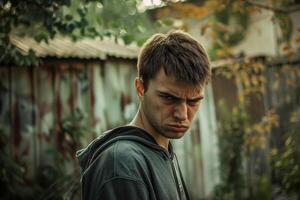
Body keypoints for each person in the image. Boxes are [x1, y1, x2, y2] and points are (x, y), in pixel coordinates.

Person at [76, 30, 211, 200]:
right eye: (169, 98)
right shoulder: (123, 165)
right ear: (140, 88)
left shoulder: (161, 152)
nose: (182, 114)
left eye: (193, 101)